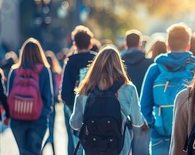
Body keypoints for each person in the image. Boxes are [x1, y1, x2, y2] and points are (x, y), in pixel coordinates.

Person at [70, 47, 143, 155]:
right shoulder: (129, 89)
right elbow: (137, 122)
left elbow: (75, 124)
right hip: (119, 148)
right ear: (119, 65)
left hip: (93, 147)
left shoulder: (85, 88)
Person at [140, 23, 195, 155]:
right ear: (188, 45)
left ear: (167, 46)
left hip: (160, 134)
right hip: (189, 134)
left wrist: (154, 123)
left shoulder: (155, 69)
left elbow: (144, 105)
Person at [7, 38, 53, 155]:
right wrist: (44, 114)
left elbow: (9, 95)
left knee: (23, 152)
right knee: (34, 152)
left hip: (17, 118)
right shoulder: (43, 70)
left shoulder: (15, 71)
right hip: (38, 120)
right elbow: (48, 97)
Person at [60, 25, 97, 155]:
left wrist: (74, 109)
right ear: (90, 43)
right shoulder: (97, 60)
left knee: (72, 142)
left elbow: (64, 92)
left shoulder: (70, 62)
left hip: (72, 109)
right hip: (95, 109)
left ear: (74, 44)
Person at [120, 29, 152, 155]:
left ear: (125, 44)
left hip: (122, 112)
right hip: (143, 113)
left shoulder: (118, 63)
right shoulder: (149, 63)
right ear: (140, 44)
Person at [43, 51, 62, 154]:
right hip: (52, 105)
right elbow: (57, 89)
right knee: (51, 130)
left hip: (43, 106)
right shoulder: (55, 73)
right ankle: (48, 150)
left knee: (46, 130)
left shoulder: (43, 73)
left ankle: (49, 150)